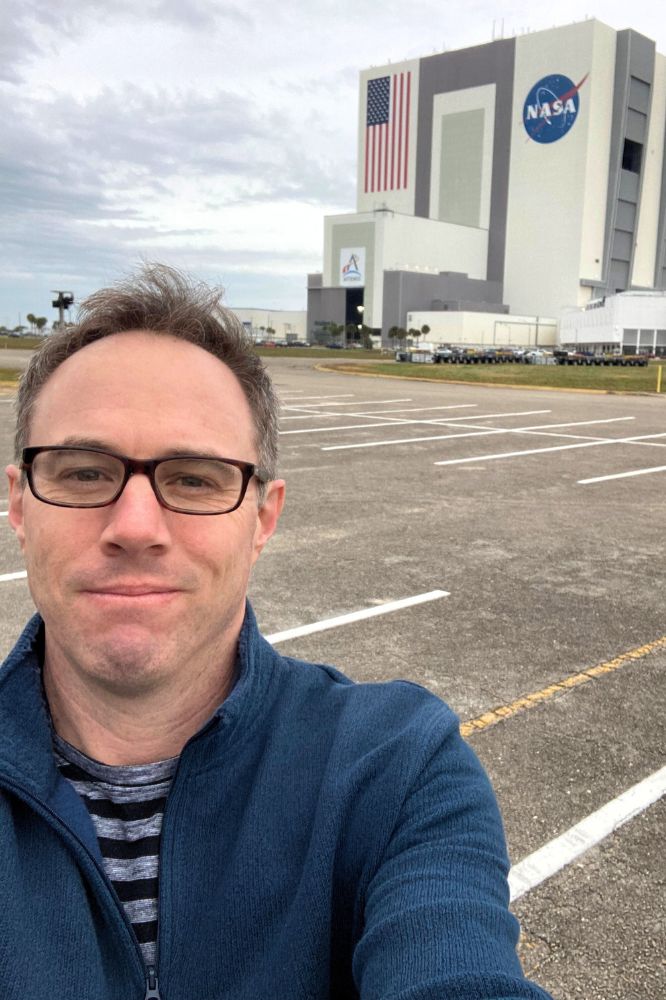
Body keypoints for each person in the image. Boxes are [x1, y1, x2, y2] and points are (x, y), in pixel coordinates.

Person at [1, 264, 551, 1000]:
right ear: (19, 504)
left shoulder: (395, 769)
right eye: (81, 472)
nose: (135, 527)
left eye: (194, 478)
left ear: (263, 518)